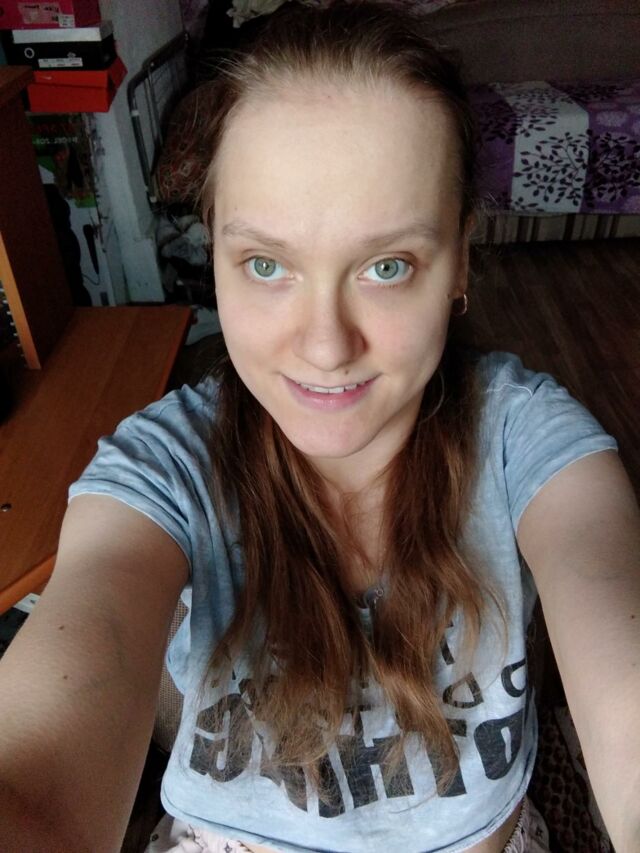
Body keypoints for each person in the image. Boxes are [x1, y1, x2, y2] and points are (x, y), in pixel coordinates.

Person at [1, 3, 639, 852]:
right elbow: (36, 785)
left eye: (387, 266)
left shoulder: (531, 442)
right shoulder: (162, 471)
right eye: (266, 265)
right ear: (216, 258)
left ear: (460, 261)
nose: (326, 346)